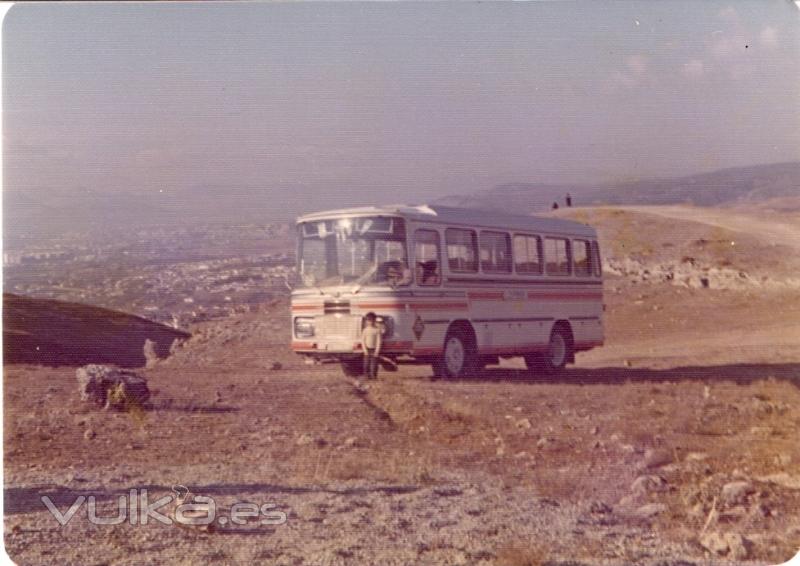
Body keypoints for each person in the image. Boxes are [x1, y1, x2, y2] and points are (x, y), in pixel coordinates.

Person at [361, 312, 382, 379]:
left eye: (372, 320)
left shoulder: (377, 330)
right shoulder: (365, 330)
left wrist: (377, 351)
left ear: (375, 320)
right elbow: (363, 341)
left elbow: (379, 341)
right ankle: (366, 376)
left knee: (374, 364)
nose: (370, 322)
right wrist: (365, 350)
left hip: (374, 350)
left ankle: (373, 377)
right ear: (366, 321)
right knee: (366, 364)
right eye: (369, 320)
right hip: (367, 349)